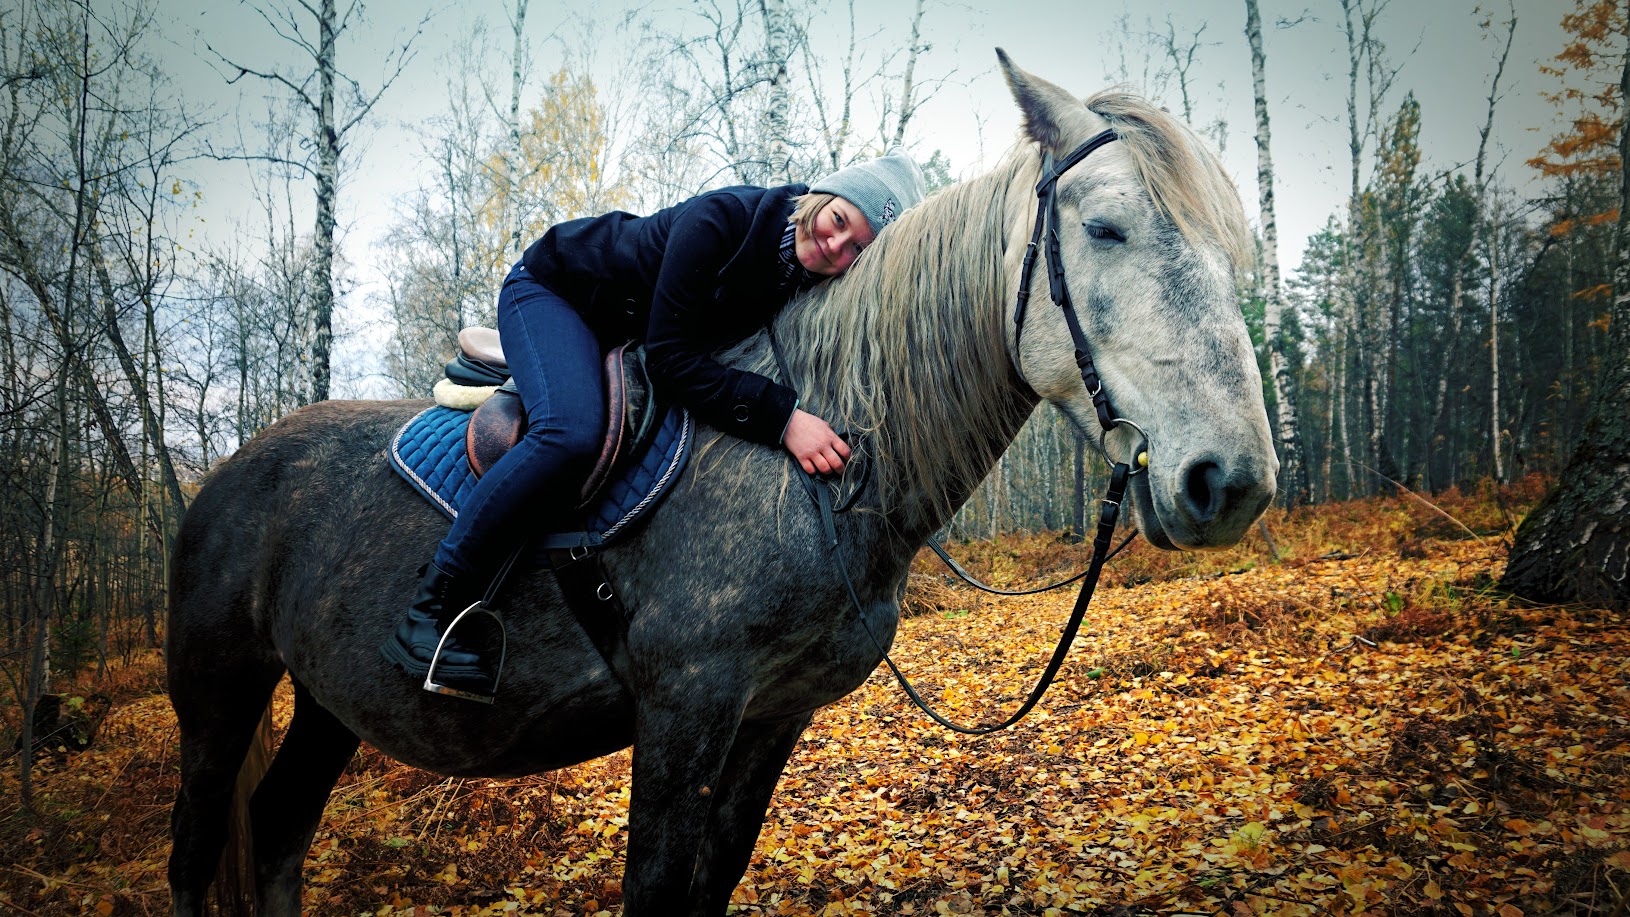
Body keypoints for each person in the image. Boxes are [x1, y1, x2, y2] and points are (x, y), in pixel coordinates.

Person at [380, 151, 927, 698]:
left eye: (857, 249)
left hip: (627, 331)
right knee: (569, 434)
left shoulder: (807, 278)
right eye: (838, 221)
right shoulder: (723, 220)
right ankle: (432, 610)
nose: (835, 246)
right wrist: (782, 418)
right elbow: (669, 358)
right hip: (557, 292)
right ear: (823, 196)